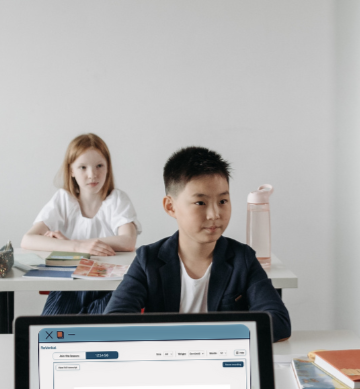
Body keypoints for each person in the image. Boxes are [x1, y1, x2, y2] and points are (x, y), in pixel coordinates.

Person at [105, 146, 289, 341]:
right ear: (171, 206)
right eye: (201, 203)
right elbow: (114, 321)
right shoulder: (148, 260)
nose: (215, 214)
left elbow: (279, 322)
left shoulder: (242, 259)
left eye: (223, 201)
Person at [21, 133, 140, 317]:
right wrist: (77, 246)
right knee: (51, 329)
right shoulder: (64, 199)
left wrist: (71, 244)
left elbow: (128, 241)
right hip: (70, 285)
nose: (92, 174)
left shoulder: (117, 199)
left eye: (99, 166)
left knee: (95, 329)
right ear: (71, 171)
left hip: (110, 285)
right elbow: (28, 240)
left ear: (108, 168)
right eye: (83, 167)